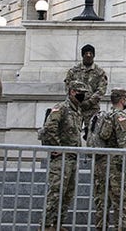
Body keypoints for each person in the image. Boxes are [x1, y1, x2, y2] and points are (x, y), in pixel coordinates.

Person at [40, 81, 88, 231]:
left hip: (73, 157)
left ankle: (58, 224)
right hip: (61, 159)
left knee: (68, 193)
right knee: (55, 192)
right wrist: (57, 146)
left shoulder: (77, 110)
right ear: (72, 92)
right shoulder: (61, 108)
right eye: (81, 92)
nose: (83, 95)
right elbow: (49, 127)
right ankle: (46, 225)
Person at [91, 88, 126, 230]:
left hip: (100, 163)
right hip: (114, 165)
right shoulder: (120, 116)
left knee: (102, 201)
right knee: (121, 200)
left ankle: (100, 228)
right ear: (122, 100)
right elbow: (124, 140)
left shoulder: (105, 115)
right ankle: (120, 228)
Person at [64, 43, 108, 133]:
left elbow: (101, 90)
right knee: (72, 133)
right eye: (86, 53)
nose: (88, 55)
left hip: (92, 109)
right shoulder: (73, 71)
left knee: (93, 134)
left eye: (90, 53)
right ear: (82, 55)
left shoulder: (100, 72)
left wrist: (89, 102)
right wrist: (76, 101)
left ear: (93, 55)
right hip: (76, 108)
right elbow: (68, 87)